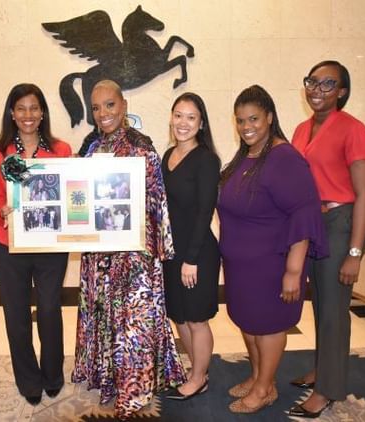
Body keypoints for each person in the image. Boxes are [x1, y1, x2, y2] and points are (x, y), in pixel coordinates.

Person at [72, 80, 185, 420]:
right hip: (98, 254)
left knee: (132, 325)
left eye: (109, 105)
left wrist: (157, 247)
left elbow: (156, 200)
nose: (103, 113)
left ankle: (133, 395)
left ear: (122, 106)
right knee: (106, 318)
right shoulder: (90, 148)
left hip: (134, 254)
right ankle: (110, 381)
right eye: (96, 108)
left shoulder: (142, 147)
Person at [217, 85, 327, 414]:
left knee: (268, 327)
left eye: (253, 118)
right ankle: (257, 377)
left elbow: (304, 213)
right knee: (249, 323)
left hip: (271, 265)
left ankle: (265, 388)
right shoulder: (247, 155)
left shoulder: (284, 158)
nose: (246, 126)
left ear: (269, 117)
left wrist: (294, 271)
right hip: (242, 267)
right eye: (240, 120)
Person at [288, 61, 365, 418]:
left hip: (342, 222)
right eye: (312, 82)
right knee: (320, 304)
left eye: (328, 84)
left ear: (341, 91)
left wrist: (355, 252)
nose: (317, 90)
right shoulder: (300, 129)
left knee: (335, 310)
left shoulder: (354, 130)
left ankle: (328, 389)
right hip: (312, 224)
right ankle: (323, 369)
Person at [0, 83, 72, 405]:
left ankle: (53, 375)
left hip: (51, 244)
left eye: (34, 108)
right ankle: (29, 380)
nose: (28, 115)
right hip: (8, 244)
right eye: (21, 108)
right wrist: (1, 210)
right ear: (12, 112)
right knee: (16, 313)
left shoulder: (61, 149)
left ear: (43, 112)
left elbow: (70, 192)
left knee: (50, 309)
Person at [161, 93, 220, 400]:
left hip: (197, 254)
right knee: (179, 315)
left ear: (201, 123)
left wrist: (191, 259)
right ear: (171, 117)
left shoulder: (207, 160)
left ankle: (198, 378)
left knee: (197, 318)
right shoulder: (167, 155)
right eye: (178, 115)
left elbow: (204, 211)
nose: (183, 123)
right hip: (171, 253)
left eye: (191, 117)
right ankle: (197, 369)